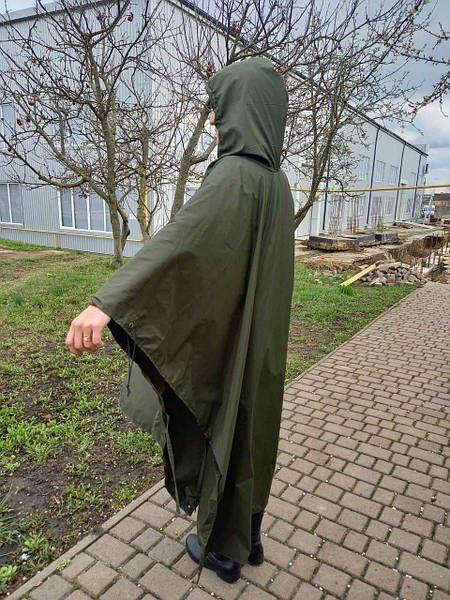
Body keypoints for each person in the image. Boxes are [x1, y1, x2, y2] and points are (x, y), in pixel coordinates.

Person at [66, 56, 294, 584]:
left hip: (235, 342)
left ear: (240, 108)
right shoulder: (277, 183)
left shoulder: (234, 177)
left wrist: (108, 301)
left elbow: (180, 244)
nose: (212, 119)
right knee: (254, 432)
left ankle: (221, 551)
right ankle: (249, 536)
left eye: (218, 107)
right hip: (262, 344)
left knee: (225, 424)